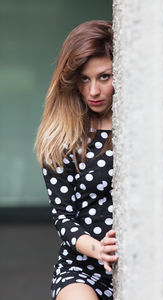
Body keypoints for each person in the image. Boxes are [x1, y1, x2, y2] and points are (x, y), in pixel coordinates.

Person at [35, 20, 118, 300]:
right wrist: (99, 249)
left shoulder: (136, 128)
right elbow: (63, 217)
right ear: (72, 81)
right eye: (84, 78)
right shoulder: (62, 136)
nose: (94, 91)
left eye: (104, 77)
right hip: (81, 269)